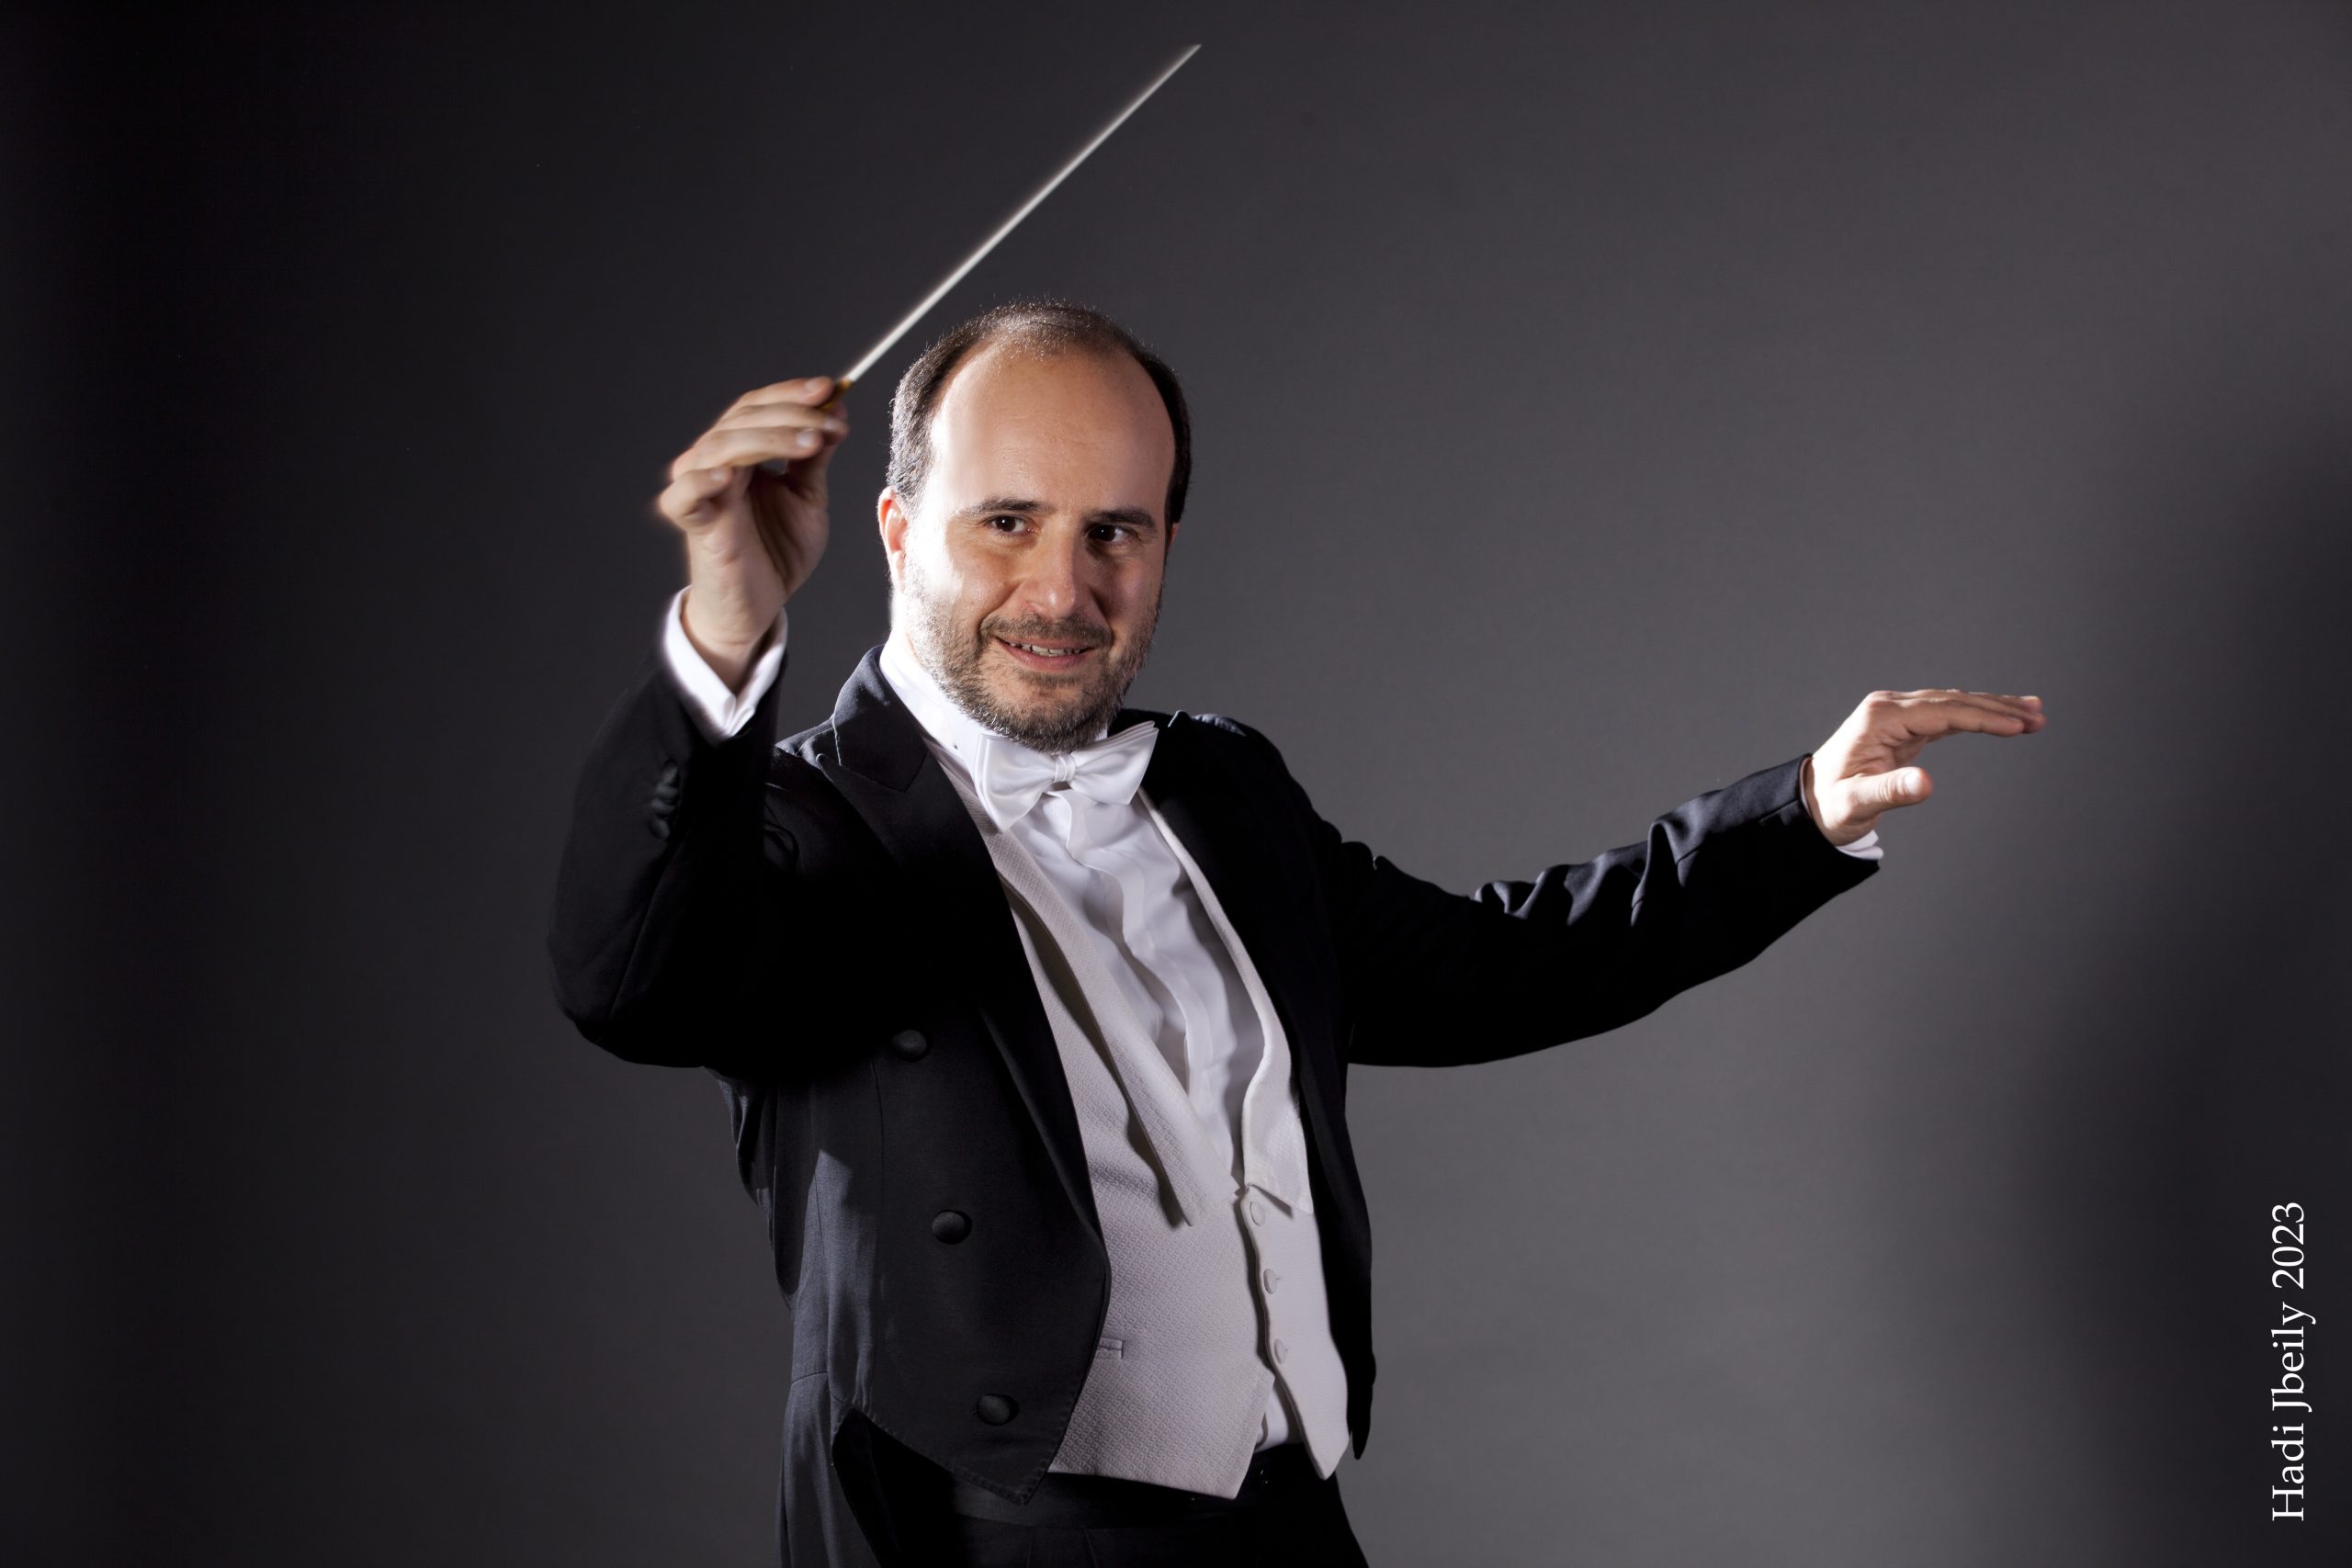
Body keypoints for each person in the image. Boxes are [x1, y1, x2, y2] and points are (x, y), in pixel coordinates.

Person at [547, 300, 2044, 1567]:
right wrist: (725, 633)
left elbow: (1494, 972)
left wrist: (1799, 816)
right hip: (995, 1534)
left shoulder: (1225, 789)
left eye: (1115, 532)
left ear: (1167, 543)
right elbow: (630, 981)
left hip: (1286, 1515)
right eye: (1007, 522)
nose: (1063, 590)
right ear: (895, 529)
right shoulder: (797, 828)